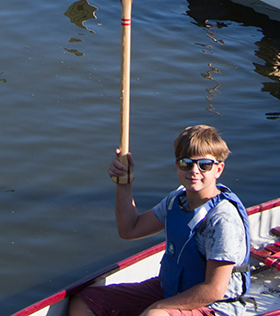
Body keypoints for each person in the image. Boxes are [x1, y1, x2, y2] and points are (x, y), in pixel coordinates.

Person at [68, 125, 252, 316]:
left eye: (204, 164)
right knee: (85, 300)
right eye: (186, 163)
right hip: (170, 290)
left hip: (215, 306)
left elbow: (214, 290)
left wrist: (159, 306)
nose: (194, 171)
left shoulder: (223, 220)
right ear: (177, 166)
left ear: (219, 169)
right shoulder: (176, 200)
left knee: (156, 315)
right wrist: (124, 183)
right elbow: (129, 229)